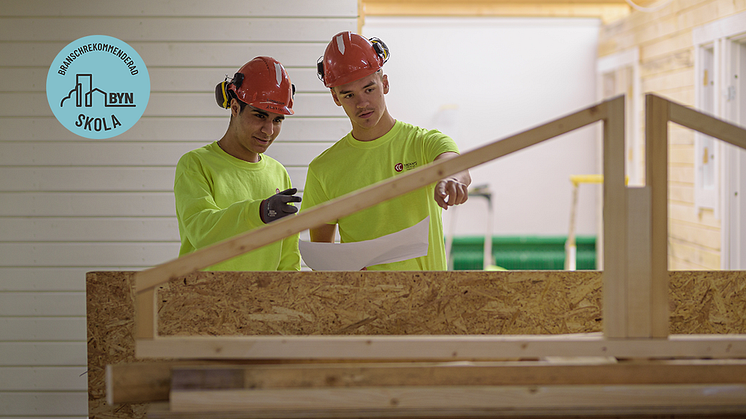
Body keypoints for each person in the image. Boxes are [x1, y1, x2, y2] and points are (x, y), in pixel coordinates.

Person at [301, 31, 471, 270]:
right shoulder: (323, 169)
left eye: (369, 89)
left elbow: (455, 164)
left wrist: (451, 179)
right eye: (348, 95)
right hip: (365, 304)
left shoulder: (424, 143)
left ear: (385, 83)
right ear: (335, 98)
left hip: (430, 301)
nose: (362, 103)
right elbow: (323, 257)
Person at [174, 56, 302, 271]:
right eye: (260, 116)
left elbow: (288, 257)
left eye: (277, 120)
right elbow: (202, 232)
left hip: (264, 303)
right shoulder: (195, 164)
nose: (269, 130)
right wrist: (259, 212)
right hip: (201, 300)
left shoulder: (278, 172)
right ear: (235, 107)